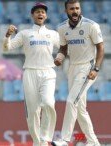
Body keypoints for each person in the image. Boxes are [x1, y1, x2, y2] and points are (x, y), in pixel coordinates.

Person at [3, 2, 59, 146]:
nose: (40, 14)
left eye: (43, 12)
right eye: (37, 12)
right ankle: (37, 142)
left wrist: (61, 56)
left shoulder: (53, 34)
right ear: (32, 15)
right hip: (30, 73)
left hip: (48, 72)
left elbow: (65, 48)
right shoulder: (25, 33)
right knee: (33, 111)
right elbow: (7, 48)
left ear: (46, 16)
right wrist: (7, 36)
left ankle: (45, 138)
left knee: (48, 103)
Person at [51, 0, 104, 146]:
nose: (75, 11)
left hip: (88, 68)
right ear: (66, 11)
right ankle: (94, 142)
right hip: (72, 68)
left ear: (80, 9)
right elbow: (63, 48)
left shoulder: (91, 25)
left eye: (77, 8)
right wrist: (59, 58)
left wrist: (96, 69)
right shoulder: (61, 28)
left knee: (71, 101)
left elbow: (100, 48)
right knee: (80, 109)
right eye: (72, 9)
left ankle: (64, 139)